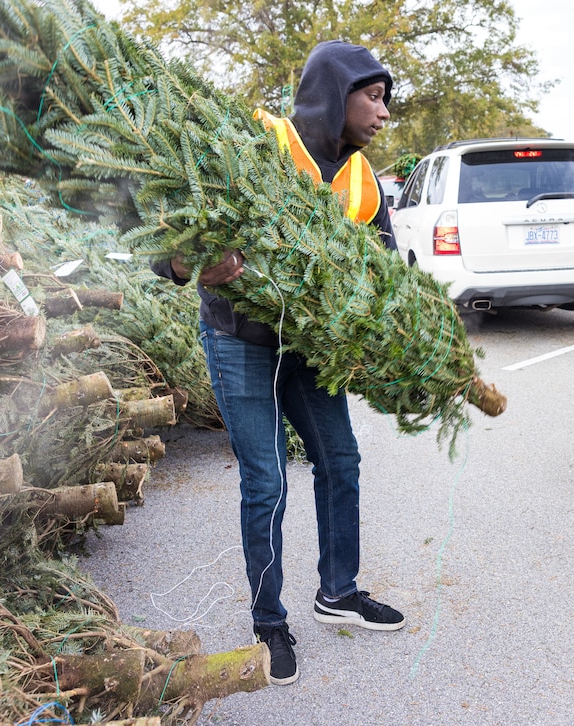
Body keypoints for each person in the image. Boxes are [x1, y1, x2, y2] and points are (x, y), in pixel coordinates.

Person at [151, 40, 405, 687]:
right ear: (333, 92)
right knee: (267, 482)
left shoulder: (360, 180)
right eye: (371, 96)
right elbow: (170, 237)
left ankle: (338, 590)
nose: (382, 113)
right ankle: (269, 619)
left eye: (385, 100)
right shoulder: (258, 142)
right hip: (240, 338)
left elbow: (386, 270)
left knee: (340, 459)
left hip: (309, 351)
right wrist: (189, 263)